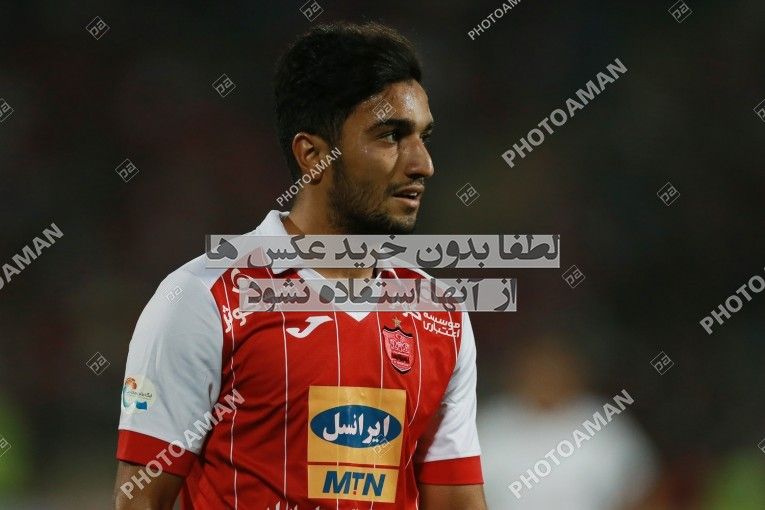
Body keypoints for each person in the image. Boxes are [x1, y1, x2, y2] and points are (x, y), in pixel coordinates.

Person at [113, 21, 487, 510]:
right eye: (391, 136)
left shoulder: (440, 314)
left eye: (423, 136)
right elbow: (141, 501)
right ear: (312, 155)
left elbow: (458, 501)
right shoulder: (202, 299)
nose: (422, 164)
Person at [479, 337, 658, 510]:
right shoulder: (489, 426)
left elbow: (644, 490)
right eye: (537, 369)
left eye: (554, 369)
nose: (545, 378)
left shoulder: (604, 422)